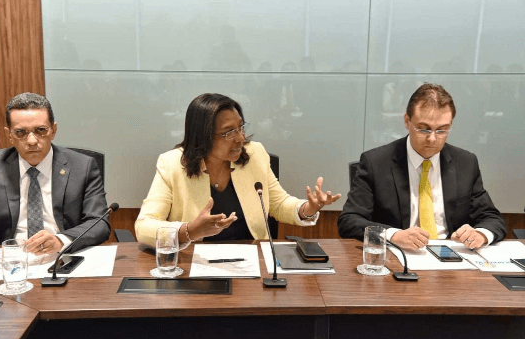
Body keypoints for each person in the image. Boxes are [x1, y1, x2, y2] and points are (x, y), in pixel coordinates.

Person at [135, 93, 341, 246]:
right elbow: (143, 226)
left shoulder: (255, 154)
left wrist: (307, 209)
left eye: (241, 127)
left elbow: (278, 204)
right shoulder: (172, 164)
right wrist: (188, 231)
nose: (241, 138)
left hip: (252, 260)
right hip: (195, 263)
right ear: (203, 136)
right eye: (229, 132)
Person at [0, 93, 110, 269]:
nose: (32, 141)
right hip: (6, 266)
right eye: (21, 132)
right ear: (9, 135)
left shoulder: (82, 166)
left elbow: (99, 222)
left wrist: (60, 240)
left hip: (64, 261)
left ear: (53, 130)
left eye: (41, 130)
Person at [338, 83, 506, 250]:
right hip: (397, 255)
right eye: (424, 129)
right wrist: (393, 235)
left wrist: (481, 234)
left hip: (451, 255)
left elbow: (492, 218)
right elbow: (349, 221)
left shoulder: (465, 163)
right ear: (407, 121)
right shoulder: (376, 162)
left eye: (442, 130)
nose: (432, 139)